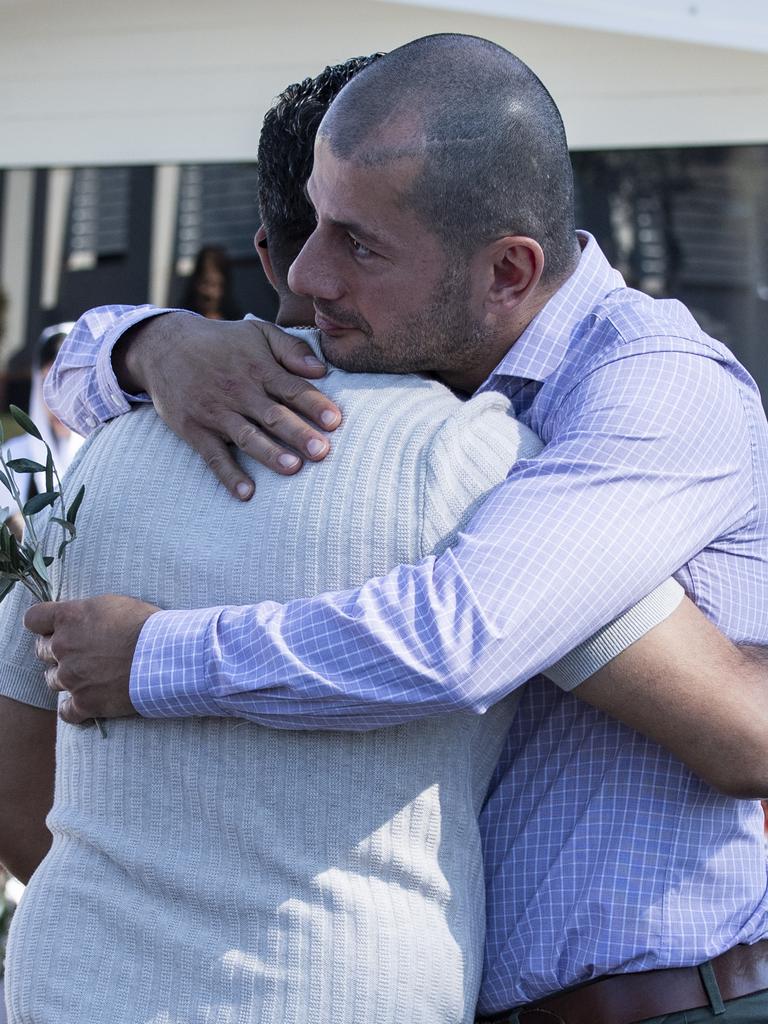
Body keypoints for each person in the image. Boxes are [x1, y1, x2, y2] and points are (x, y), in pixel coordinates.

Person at [30, 35, 768, 1023]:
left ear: (509, 271)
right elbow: (69, 369)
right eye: (314, 226)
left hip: (669, 1004)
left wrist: (151, 657)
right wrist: (148, 343)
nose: (308, 276)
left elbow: (461, 635)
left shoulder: (656, 389)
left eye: (358, 243)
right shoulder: (401, 357)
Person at [0, 323, 83, 540]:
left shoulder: (105, 459)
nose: (57, 401)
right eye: (48, 384)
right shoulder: (12, 459)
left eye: (68, 383)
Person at [181, 244, 242, 321]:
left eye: (214, 285)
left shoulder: (235, 325)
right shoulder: (180, 321)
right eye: (204, 283)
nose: (208, 293)